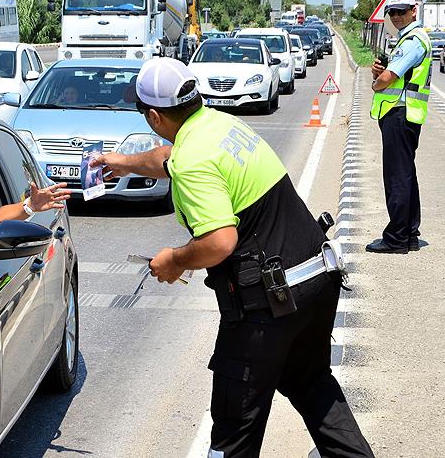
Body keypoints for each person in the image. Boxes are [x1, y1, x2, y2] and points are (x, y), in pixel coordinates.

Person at [93, 57, 374, 457]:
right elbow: (165, 159)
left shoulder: (191, 159)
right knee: (313, 387)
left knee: (233, 429)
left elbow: (220, 241)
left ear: (154, 116)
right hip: (315, 280)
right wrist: (118, 162)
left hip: (268, 306)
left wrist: (174, 260)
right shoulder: (216, 125)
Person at [366, 0, 430, 254]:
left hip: (399, 114)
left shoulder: (413, 40)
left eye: (401, 11)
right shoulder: (406, 39)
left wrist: (376, 82)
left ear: (413, 10)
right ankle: (410, 234)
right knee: (406, 174)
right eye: (392, 12)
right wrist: (378, 70)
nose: (397, 16)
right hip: (404, 114)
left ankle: (396, 238)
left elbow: (388, 79)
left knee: (397, 178)